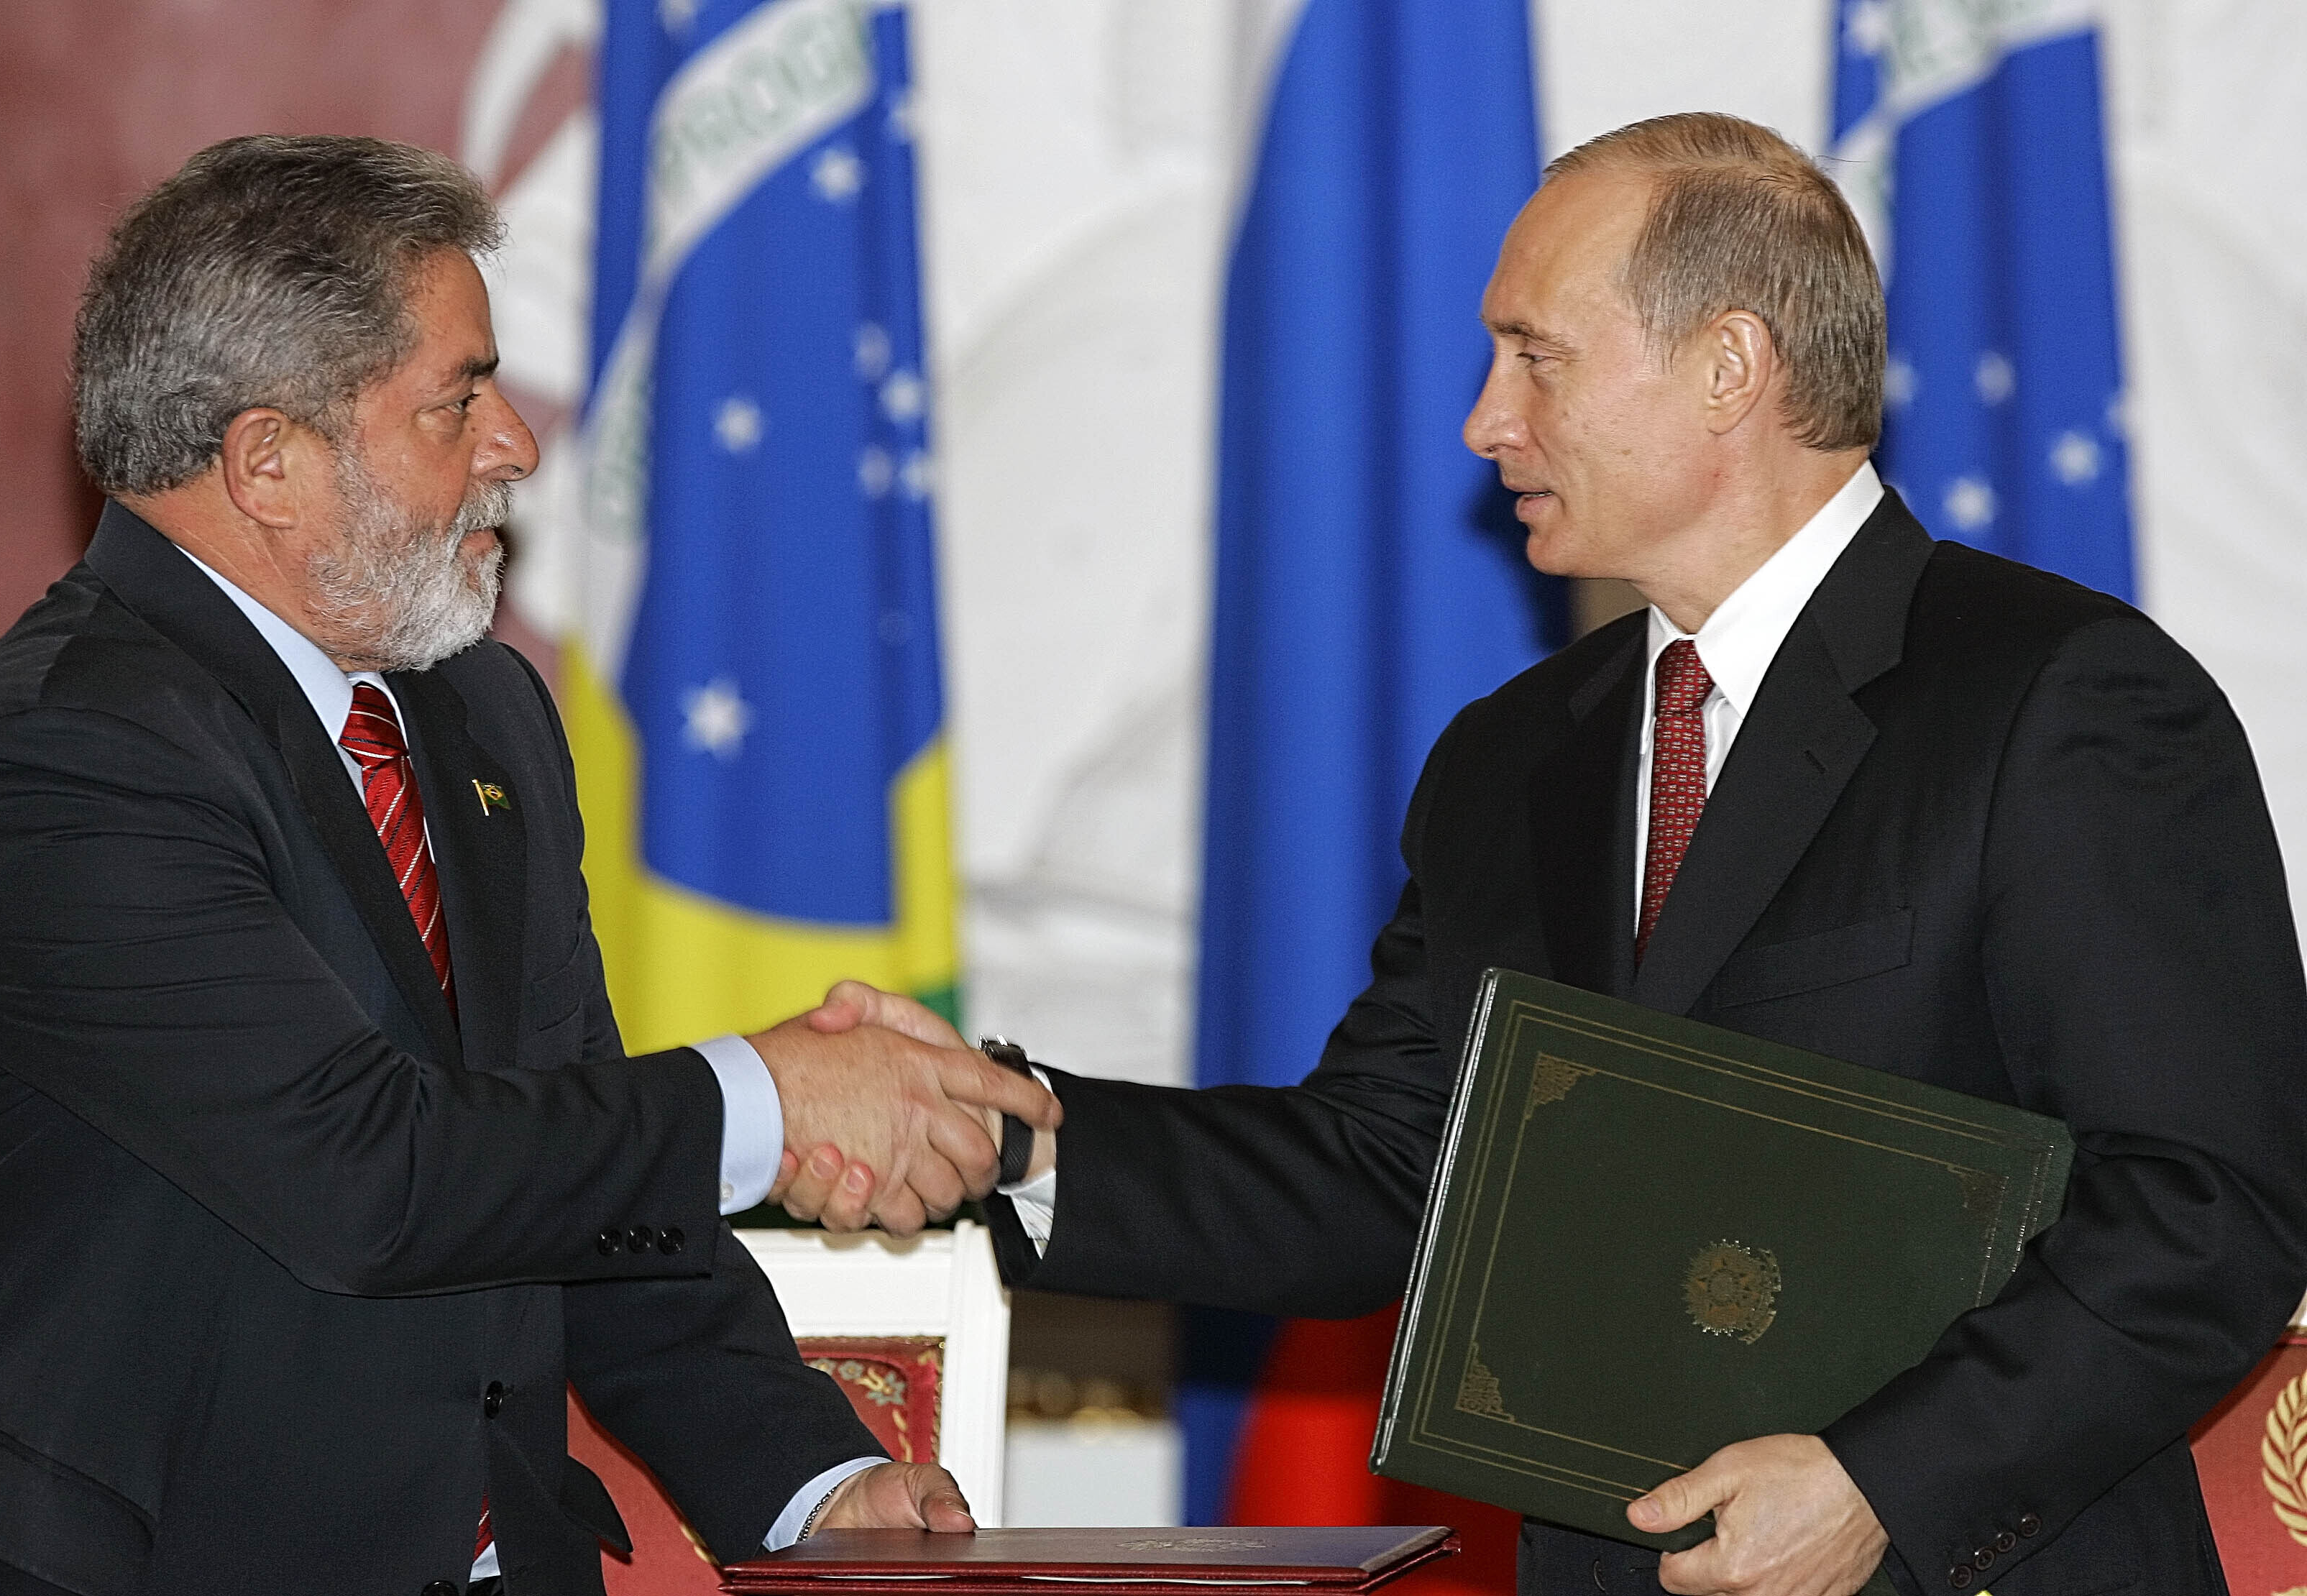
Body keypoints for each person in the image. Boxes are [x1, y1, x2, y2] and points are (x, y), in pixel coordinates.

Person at [786, 114, 2307, 1596]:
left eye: (1536, 356)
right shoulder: (1515, 757)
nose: (1484, 422)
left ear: (1729, 368)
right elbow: (1392, 1166)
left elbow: (2205, 1209)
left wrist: (1874, 1488)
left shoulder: (2062, 698)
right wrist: (1023, 1139)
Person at [0, 134, 1058, 1596]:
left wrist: (806, 1480)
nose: (514, 441)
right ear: (270, 464)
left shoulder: (475, 706)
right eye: (458, 397)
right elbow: (368, 1173)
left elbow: (562, 1151)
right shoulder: (57, 758)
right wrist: (771, 1093)